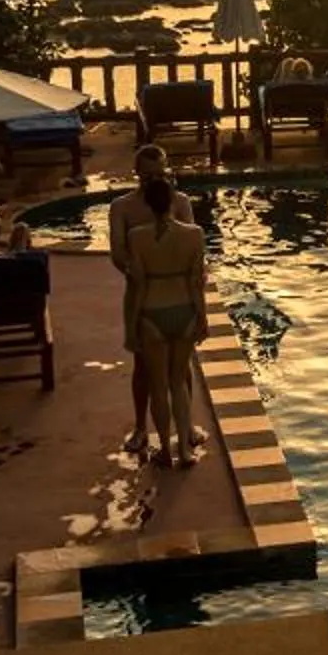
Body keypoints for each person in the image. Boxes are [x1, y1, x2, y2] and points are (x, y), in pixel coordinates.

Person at [108, 143, 196, 456]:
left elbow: (194, 252)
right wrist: (138, 272)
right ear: (137, 175)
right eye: (147, 176)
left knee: (182, 366)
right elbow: (117, 253)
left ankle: (186, 428)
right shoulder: (122, 207)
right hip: (140, 295)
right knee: (143, 367)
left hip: (172, 295)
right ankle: (140, 426)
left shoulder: (181, 202)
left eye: (160, 174)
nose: (154, 181)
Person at [119, 169, 210, 468]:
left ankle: (165, 452)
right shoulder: (194, 235)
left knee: (158, 384)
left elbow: (139, 285)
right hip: (184, 310)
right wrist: (203, 317)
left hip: (152, 314)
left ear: (147, 204)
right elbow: (197, 282)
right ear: (172, 200)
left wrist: (132, 326)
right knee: (178, 381)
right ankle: (185, 449)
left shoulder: (137, 237)